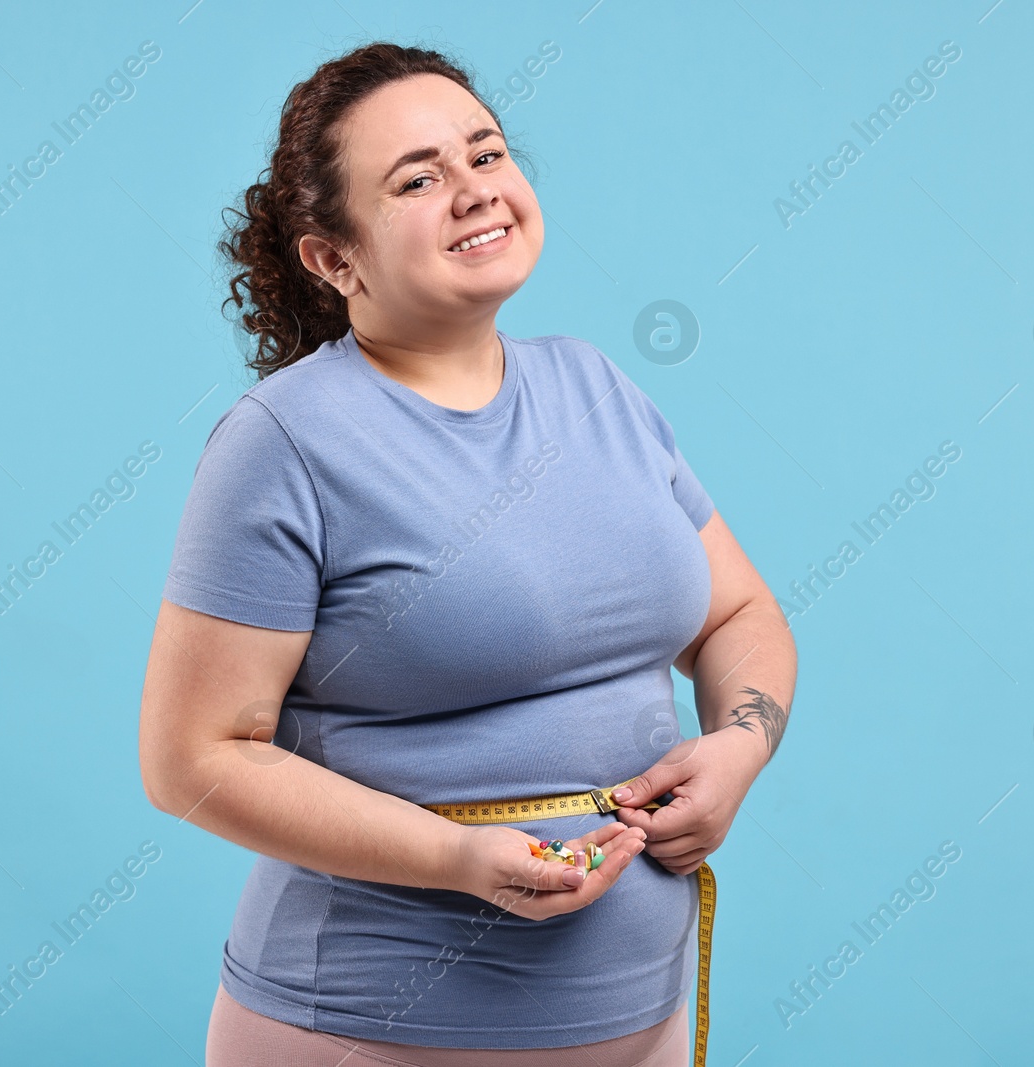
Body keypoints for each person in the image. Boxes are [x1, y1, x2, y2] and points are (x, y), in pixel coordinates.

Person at [138, 41, 797, 1067]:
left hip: (643, 1014)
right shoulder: (284, 443)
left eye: (484, 154)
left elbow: (737, 616)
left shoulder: (597, 387)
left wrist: (739, 746)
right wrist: (452, 856)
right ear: (332, 257)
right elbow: (192, 759)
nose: (471, 191)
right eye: (416, 178)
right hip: (363, 1029)